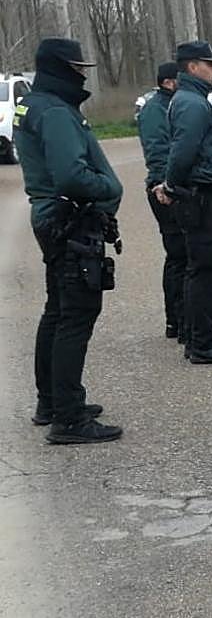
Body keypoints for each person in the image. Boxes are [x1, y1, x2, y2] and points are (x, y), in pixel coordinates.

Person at [15, 37, 123, 443]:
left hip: (54, 218)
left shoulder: (38, 104)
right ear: (62, 69)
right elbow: (71, 176)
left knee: (58, 311)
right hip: (70, 220)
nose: (82, 76)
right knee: (76, 315)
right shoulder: (56, 112)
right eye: (78, 69)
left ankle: (53, 402)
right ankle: (69, 418)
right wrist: (108, 185)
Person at [154, 41, 212, 365]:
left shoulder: (191, 100)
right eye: (210, 63)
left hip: (199, 192)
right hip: (201, 194)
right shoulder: (191, 103)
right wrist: (172, 184)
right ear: (192, 67)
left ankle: (196, 337)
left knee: (198, 267)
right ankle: (204, 342)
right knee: (204, 269)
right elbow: (183, 149)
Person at [138, 62, 187, 341]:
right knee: (179, 256)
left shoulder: (169, 105)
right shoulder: (157, 110)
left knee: (179, 255)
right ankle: (177, 321)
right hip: (164, 189)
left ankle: (178, 320)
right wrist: (163, 186)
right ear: (169, 82)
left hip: (169, 186)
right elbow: (158, 151)